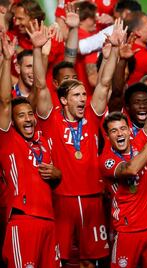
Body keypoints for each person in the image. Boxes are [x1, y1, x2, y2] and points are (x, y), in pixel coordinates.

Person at [32, 18, 124, 266]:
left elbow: (104, 85)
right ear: (63, 100)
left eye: (84, 94)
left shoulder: (92, 118)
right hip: (61, 200)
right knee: (63, 261)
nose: (83, 99)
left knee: (90, 262)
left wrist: (114, 49)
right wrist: (38, 50)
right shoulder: (50, 120)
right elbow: (40, 85)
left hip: (94, 199)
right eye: (76, 95)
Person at [0, 31, 61, 268]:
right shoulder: (8, 141)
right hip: (22, 221)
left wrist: (58, 175)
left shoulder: (43, 141)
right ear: (11, 122)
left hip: (49, 220)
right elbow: (5, 101)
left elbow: (38, 87)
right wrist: (7, 60)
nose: (27, 119)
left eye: (29, 114)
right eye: (20, 116)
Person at [99, 74, 147, 267]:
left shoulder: (139, 142)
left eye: (123, 129)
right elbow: (131, 169)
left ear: (129, 130)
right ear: (108, 136)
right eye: (114, 131)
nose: (119, 133)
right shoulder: (107, 161)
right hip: (127, 230)